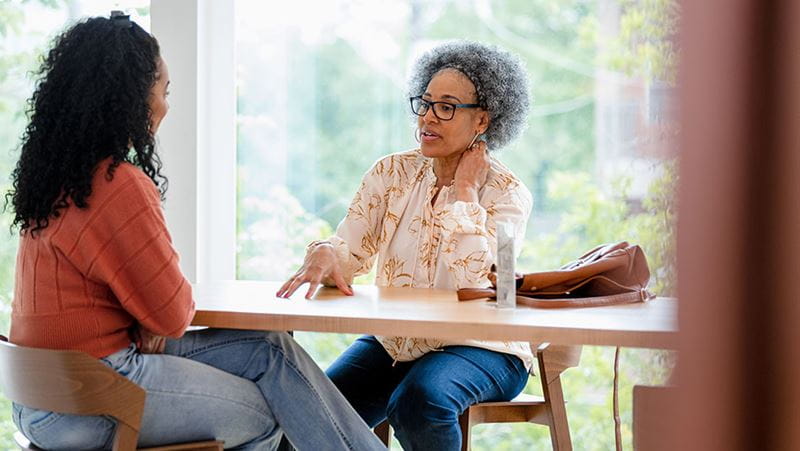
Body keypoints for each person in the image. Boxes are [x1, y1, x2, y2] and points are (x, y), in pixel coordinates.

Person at [6, 14, 384, 451]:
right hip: (93, 396)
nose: (165, 107)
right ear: (128, 99)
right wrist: (150, 317)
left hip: (39, 397)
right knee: (267, 411)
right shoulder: (118, 184)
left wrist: (146, 318)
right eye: (162, 92)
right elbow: (171, 313)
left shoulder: (56, 180)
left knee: (270, 348)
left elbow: (135, 307)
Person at [277, 40, 534, 450]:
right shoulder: (391, 172)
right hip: (396, 341)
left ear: (482, 119)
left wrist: (465, 190)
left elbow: (490, 285)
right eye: (425, 103)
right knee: (309, 416)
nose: (428, 118)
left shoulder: (509, 195)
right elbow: (351, 252)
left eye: (447, 107)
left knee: (418, 401)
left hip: (485, 348)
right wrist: (326, 254)